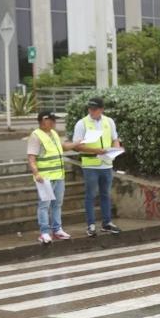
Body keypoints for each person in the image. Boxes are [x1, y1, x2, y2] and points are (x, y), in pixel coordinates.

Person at [71, 97, 121, 237]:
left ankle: (107, 223)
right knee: (90, 195)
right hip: (90, 165)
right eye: (90, 108)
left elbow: (115, 138)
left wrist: (115, 150)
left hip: (106, 164)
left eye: (95, 108)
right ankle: (91, 225)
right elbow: (77, 146)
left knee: (105, 194)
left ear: (101, 109)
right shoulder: (82, 123)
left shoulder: (109, 121)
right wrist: (96, 151)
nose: (91, 111)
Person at [28, 110, 71, 245]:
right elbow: (31, 157)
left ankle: (57, 229)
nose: (54, 122)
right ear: (43, 120)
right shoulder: (36, 136)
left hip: (58, 175)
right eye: (51, 120)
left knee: (57, 204)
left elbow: (60, 149)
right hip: (44, 178)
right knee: (44, 205)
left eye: (54, 120)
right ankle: (44, 232)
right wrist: (36, 173)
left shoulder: (54, 134)